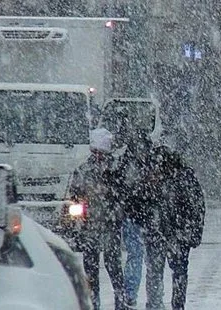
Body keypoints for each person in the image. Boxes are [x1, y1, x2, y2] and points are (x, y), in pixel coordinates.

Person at [68, 128, 126, 309]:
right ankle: (94, 302)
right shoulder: (84, 170)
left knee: (113, 265)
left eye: (101, 153)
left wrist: (115, 209)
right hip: (90, 225)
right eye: (96, 152)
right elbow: (75, 197)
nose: (98, 156)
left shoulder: (117, 170)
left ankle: (120, 301)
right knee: (91, 268)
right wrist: (79, 217)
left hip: (110, 223)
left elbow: (124, 196)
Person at [145, 146, 205, 310]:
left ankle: (172, 305)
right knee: (170, 273)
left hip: (174, 234)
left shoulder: (182, 180)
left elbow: (196, 208)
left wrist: (193, 233)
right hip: (167, 233)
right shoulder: (182, 179)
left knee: (167, 272)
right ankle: (166, 305)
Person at [112, 130, 156, 309]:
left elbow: (119, 190)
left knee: (135, 257)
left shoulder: (124, 163)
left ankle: (131, 295)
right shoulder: (152, 163)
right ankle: (152, 299)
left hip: (132, 217)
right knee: (151, 260)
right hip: (148, 218)